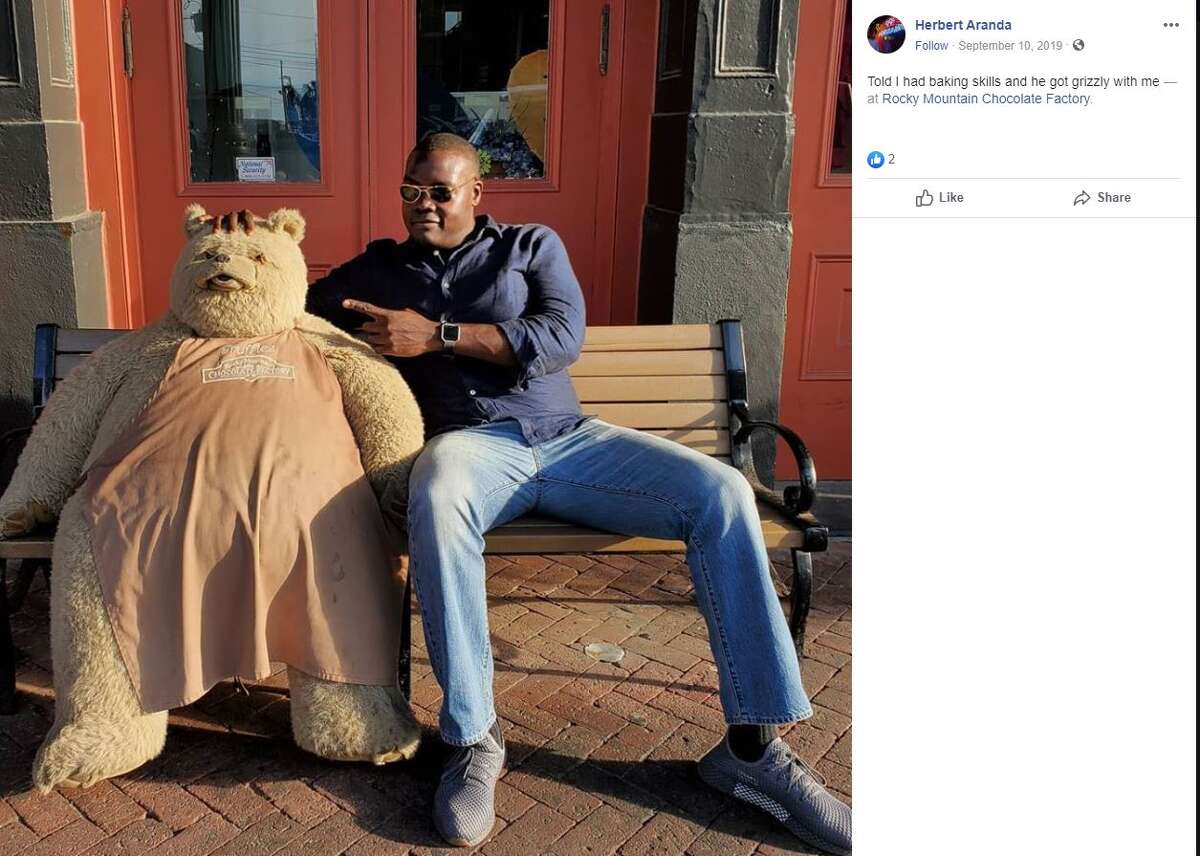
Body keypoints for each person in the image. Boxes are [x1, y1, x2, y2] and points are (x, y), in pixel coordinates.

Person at [297, 133, 852, 854]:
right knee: (437, 490)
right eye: (412, 189)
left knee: (721, 491)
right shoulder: (381, 268)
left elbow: (561, 336)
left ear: (475, 195)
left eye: (440, 190)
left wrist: (438, 335)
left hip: (570, 438)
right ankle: (472, 739)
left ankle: (751, 752)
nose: (424, 204)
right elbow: (293, 306)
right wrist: (244, 249)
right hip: (471, 448)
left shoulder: (530, 246)